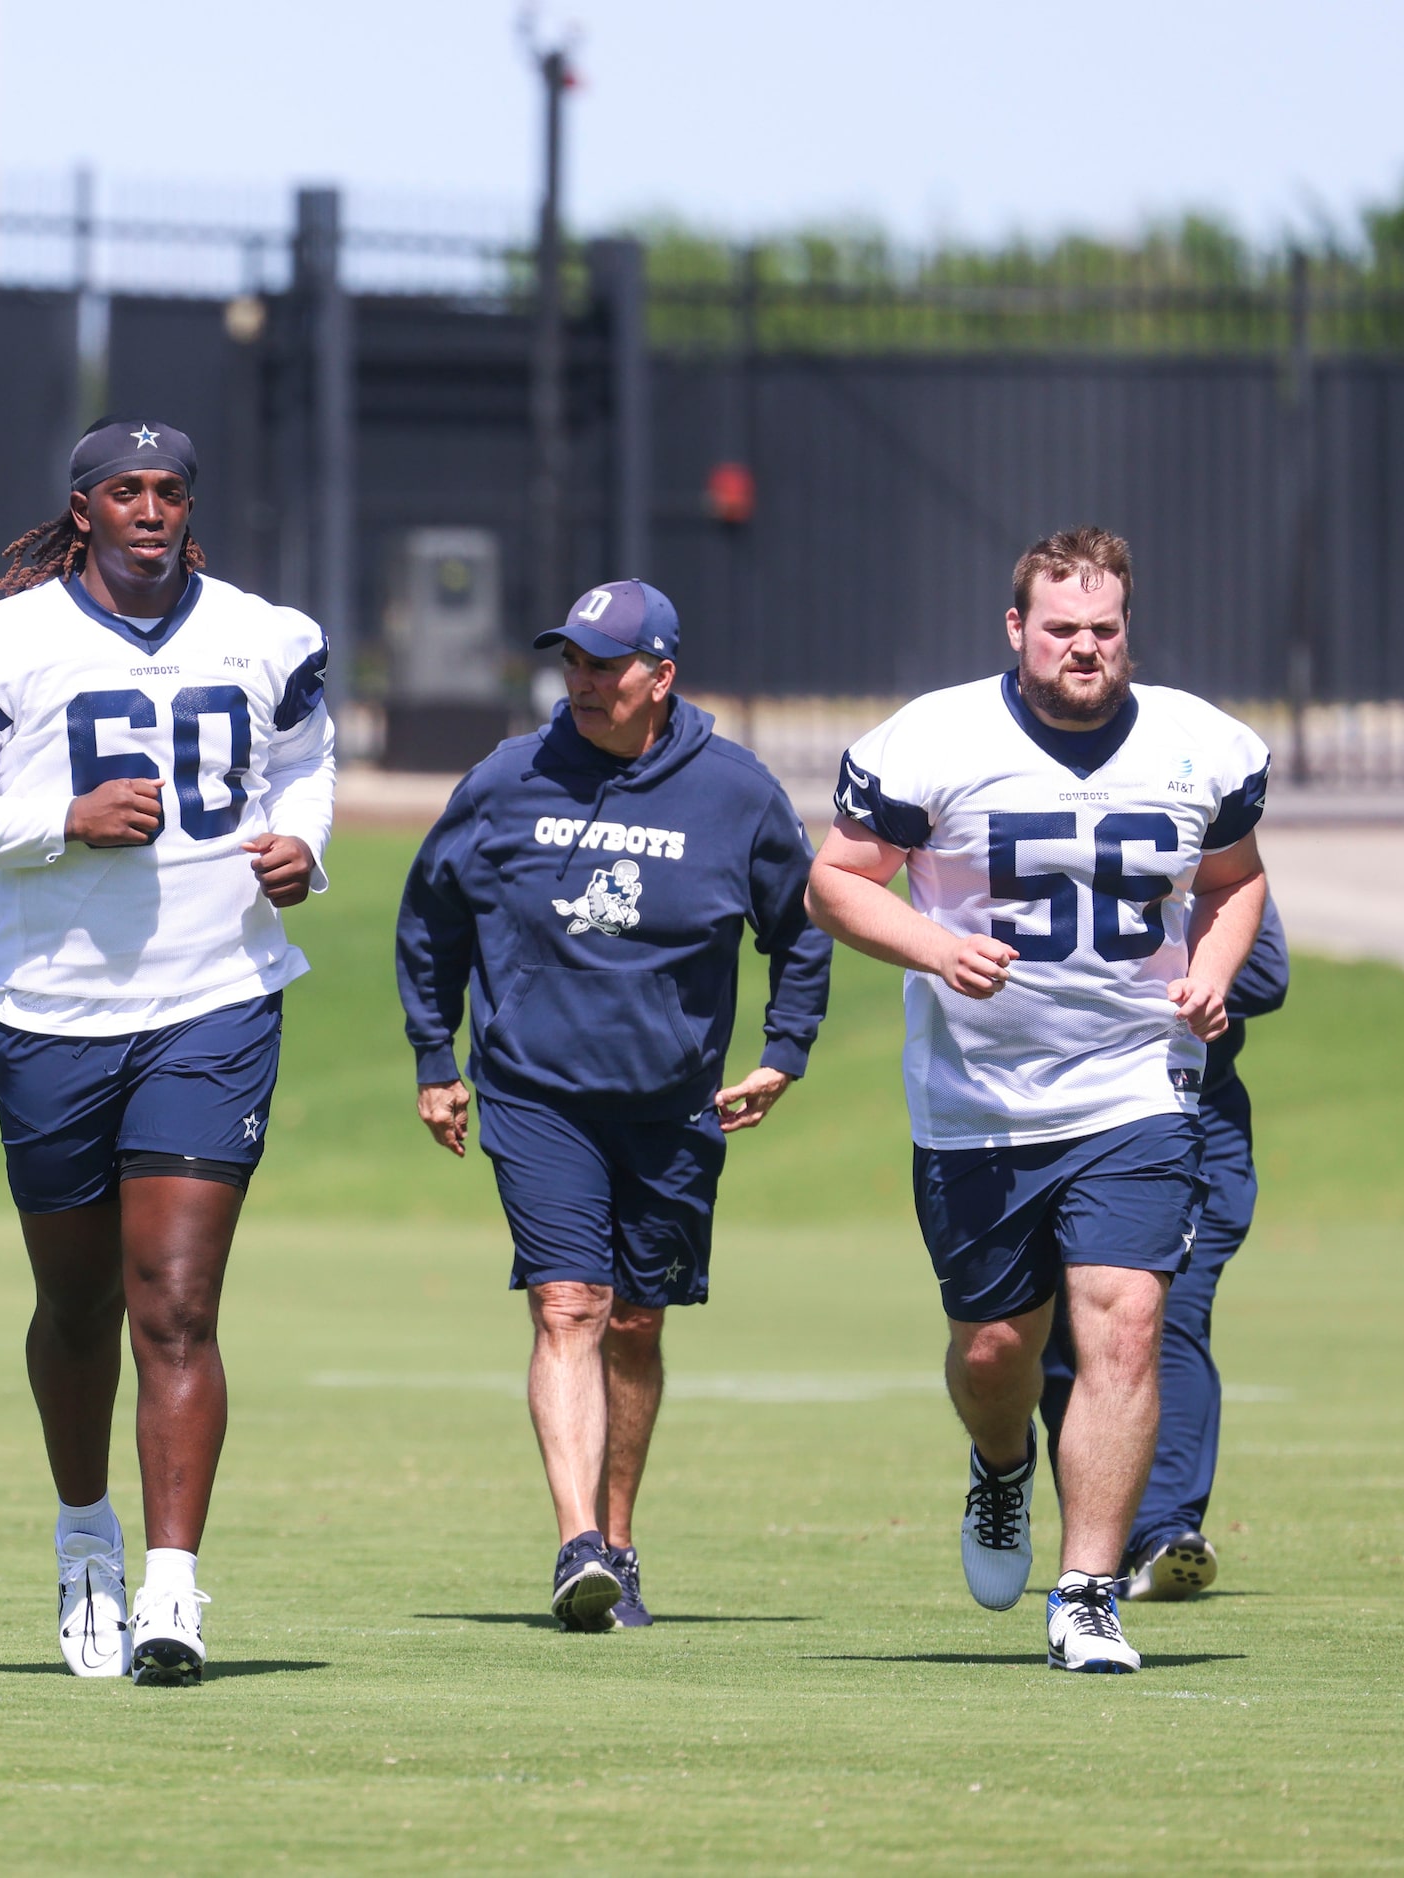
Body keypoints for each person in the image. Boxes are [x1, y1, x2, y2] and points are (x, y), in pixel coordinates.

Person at [0, 417, 334, 1685]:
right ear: (80, 508)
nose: (150, 509)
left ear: (191, 505)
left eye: (170, 489)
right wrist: (58, 821)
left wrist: (304, 843)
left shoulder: (266, 633)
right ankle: (84, 1533)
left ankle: (171, 1593)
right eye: (125, 490)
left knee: (176, 1306)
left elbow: (305, 763)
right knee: (76, 1304)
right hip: (50, 1006)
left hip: (217, 994)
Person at [807, 525, 1268, 1675]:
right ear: (1015, 628)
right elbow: (832, 883)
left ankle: (1087, 1593)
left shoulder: (1198, 744)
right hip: (977, 1101)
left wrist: (1208, 974)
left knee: (1124, 1319)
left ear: (1126, 630)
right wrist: (929, 947)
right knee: (991, 1352)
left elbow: (1234, 878)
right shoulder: (932, 739)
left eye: (1102, 630)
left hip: (1134, 1089)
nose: (1083, 648)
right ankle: (1001, 1467)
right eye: (1059, 628)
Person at [396, 579, 832, 1631]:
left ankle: (619, 1541)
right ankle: (573, 1544)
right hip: (535, 1093)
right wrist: (433, 1059)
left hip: (672, 1104)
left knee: (634, 1324)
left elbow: (803, 925)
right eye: (572, 663)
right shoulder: (507, 780)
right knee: (570, 1308)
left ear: (660, 676)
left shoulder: (734, 792)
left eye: (605, 664)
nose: (583, 682)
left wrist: (783, 1050)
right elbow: (430, 921)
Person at [1040, 897, 1287, 1600]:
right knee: (1061, 1341)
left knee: (1161, 1322)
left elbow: (1265, 972)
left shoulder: (1196, 834)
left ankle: (1167, 1531)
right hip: (1045, 1119)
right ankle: (1103, 1536)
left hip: (1189, 1117)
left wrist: (1133, 990)